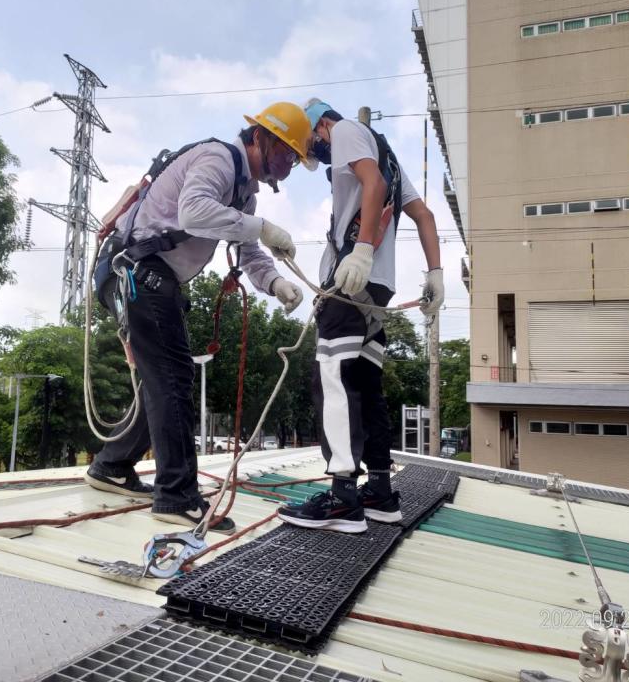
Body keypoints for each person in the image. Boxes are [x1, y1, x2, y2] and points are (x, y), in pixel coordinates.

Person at [85, 102, 312, 535]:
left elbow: (246, 249)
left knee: (165, 377)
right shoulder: (218, 160)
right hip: (137, 270)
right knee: (172, 379)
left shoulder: (243, 191)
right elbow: (193, 213)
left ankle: (111, 467)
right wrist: (262, 226)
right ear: (262, 138)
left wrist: (274, 283)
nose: (287, 169)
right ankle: (176, 497)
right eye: (287, 155)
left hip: (148, 275)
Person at [278, 98, 444, 533]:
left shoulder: (346, 130)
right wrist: (436, 273)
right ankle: (380, 493)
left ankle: (343, 497)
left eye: (312, 148)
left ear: (320, 127)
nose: (316, 156)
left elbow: (369, 184)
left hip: (352, 278)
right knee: (366, 382)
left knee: (331, 374)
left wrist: (362, 249)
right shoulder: (387, 154)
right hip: (378, 285)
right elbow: (421, 214)